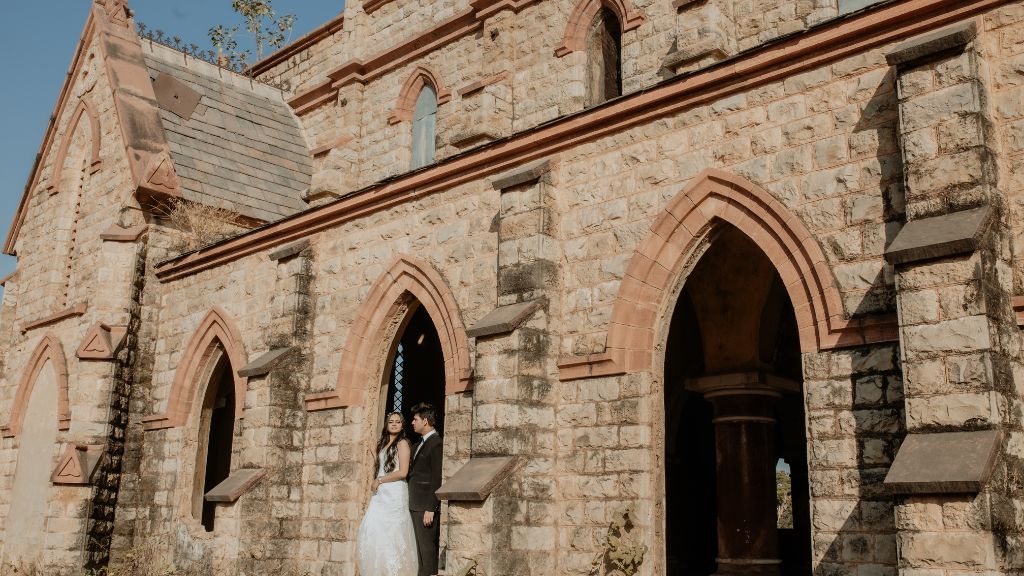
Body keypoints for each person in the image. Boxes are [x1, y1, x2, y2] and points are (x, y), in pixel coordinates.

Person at [356, 412, 418, 576]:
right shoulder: (384, 443)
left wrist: (380, 480)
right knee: (374, 530)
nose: (394, 424)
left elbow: (403, 472)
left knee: (392, 534)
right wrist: (375, 454)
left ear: (402, 425)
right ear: (386, 424)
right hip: (381, 496)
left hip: (394, 494)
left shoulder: (403, 443)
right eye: (391, 422)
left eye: (398, 422)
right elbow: (385, 465)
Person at [408, 403, 443, 576]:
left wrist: (431, 507)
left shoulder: (436, 443)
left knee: (427, 550)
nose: (412, 423)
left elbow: (437, 478)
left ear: (426, 421)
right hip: (414, 504)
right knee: (418, 551)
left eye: (415, 419)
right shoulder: (416, 445)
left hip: (425, 507)